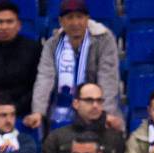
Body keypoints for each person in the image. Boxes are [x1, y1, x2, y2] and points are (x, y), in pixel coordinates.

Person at [24, 0, 121, 131]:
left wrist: (106, 113)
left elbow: (108, 79)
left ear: (87, 19)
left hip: (95, 103)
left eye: (80, 17)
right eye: (69, 18)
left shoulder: (104, 39)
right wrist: (38, 111)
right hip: (63, 103)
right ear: (61, 21)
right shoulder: (52, 44)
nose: (75, 23)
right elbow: (45, 78)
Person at [41, 82, 125, 153]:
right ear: (76, 104)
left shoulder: (115, 139)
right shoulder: (56, 138)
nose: (95, 105)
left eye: (99, 101)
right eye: (89, 100)